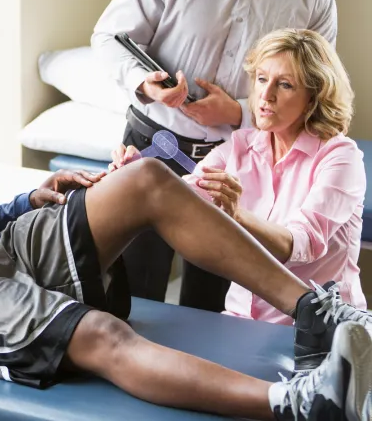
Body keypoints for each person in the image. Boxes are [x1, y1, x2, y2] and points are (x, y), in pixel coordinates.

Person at [0, 0, 371, 421]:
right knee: (105, 332)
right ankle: (296, 405)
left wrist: (28, 201)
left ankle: (315, 310)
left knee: (146, 177)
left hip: (3, 247)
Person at [90, 0, 338, 313]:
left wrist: (240, 112)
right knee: (133, 303)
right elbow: (108, 36)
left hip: (238, 169)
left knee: (215, 309)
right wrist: (146, 83)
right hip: (150, 152)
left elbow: (315, 97)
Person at [112, 29, 366, 336]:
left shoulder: (340, 157)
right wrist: (132, 175)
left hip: (319, 330)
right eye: (261, 79)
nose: (265, 95)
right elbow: (183, 195)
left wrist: (238, 215)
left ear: (314, 96)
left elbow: (302, 244)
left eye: (284, 84)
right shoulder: (240, 145)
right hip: (238, 320)